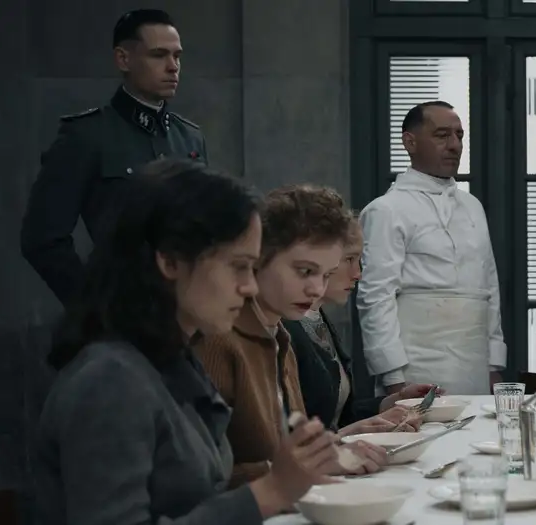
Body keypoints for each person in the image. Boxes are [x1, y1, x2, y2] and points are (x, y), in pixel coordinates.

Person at [34, 160, 335, 525]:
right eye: (238, 266)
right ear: (171, 261)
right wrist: (270, 492)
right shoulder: (109, 378)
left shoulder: (170, 359)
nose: (250, 286)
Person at [195, 185, 390, 487]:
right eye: (305, 271)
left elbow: (289, 451)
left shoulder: (280, 335)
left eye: (326, 275)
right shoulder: (219, 340)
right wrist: (304, 467)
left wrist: (333, 448)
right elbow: (200, 481)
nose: (317, 289)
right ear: (259, 259)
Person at [21, 9, 207, 305]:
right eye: (159, 55)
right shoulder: (87, 136)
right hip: (124, 310)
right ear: (124, 59)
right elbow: (42, 239)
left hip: (187, 309)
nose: (173, 67)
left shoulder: (190, 138)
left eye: (177, 56)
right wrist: (94, 307)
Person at [358, 101, 506, 396]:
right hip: (414, 367)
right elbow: (376, 297)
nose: (454, 145)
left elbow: (489, 286)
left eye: (459, 135)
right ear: (410, 142)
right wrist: (393, 377)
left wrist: (494, 365)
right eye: (442, 135)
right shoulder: (386, 209)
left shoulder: (472, 206)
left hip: (474, 364)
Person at [284, 214, 442, 436]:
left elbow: (341, 415)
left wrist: (393, 401)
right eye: (349, 259)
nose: (358, 273)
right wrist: (347, 435)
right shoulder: (285, 329)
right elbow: (291, 436)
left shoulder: (318, 318)